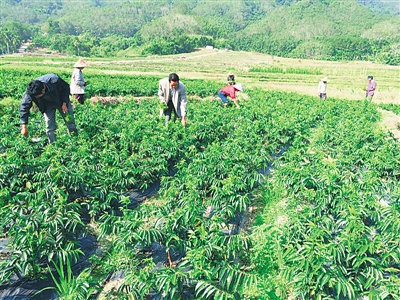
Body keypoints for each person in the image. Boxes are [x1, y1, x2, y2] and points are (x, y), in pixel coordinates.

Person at [20, 73, 78, 143]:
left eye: (38, 96)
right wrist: (24, 126)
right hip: (47, 106)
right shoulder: (31, 91)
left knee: (70, 121)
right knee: (50, 127)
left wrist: (64, 102)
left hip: (61, 101)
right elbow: (24, 106)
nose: (37, 97)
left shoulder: (54, 80)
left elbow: (66, 88)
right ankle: (53, 145)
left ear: (43, 89)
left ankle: (74, 141)